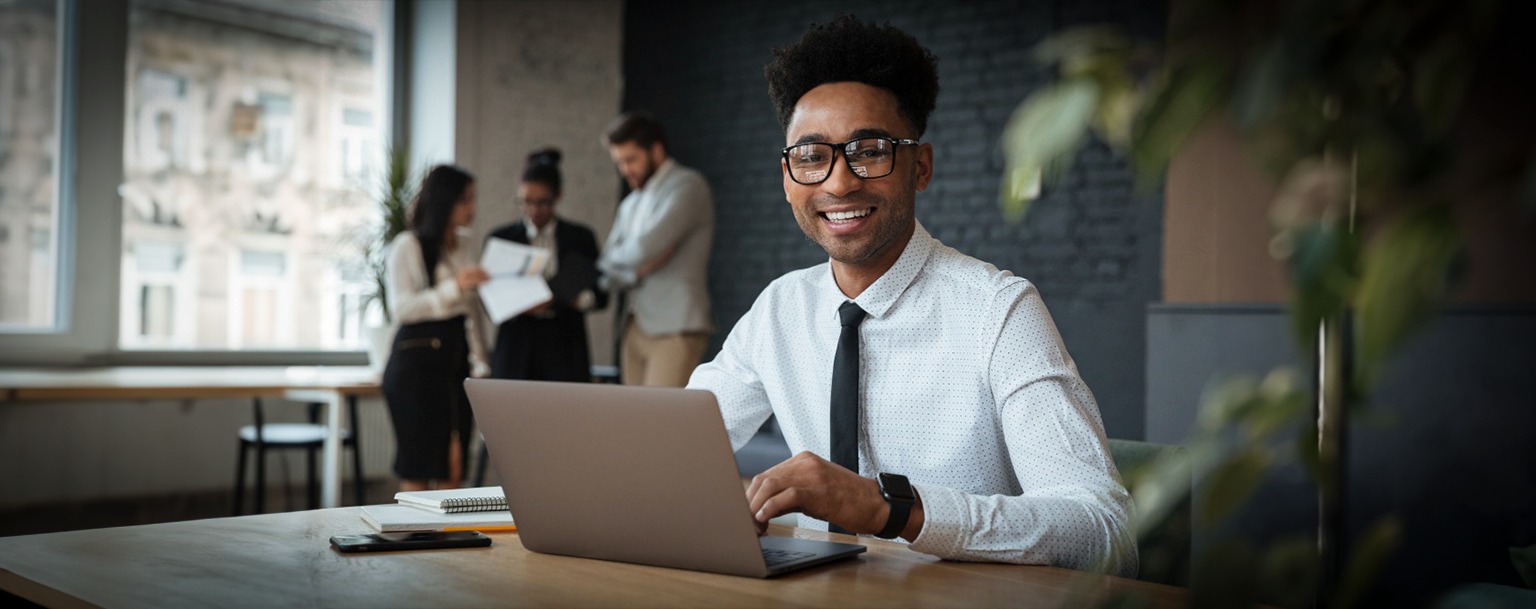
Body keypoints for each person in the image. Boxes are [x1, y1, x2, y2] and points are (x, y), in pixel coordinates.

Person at [685, 16, 1137, 576]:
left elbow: (1106, 533)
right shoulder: (779, 308)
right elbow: (672, 447)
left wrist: (890, 510)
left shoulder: (998, 311)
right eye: (811, 156)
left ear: (919, 167)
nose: (838, 182)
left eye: (869, 150)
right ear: (787, 178)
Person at [381, 164, 490, 493]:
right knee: (419, 467)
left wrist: (482, 361)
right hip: (415, 367)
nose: (472, 209)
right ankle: (412, 543)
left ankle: (447, 545)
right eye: (465, 200)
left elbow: (472, 312)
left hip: (456, 363)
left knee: (454, 468)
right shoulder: (408, 245)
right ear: (445, 201)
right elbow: (402, 308)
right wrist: (453, 287)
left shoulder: (465, 245)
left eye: (472, 199)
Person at [597, 112, 715, 387]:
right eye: (619, 163)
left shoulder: (688, 186)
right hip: (634, 325)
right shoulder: (631, 203)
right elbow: (604, 264)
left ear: (656, 150)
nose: (625, 170)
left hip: (676, 327)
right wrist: (635, 274)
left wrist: (630, 257)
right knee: (634, 425)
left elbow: (644, 249)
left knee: (660, 426)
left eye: (631, 159)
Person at [487, 148, 608, 382]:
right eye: (525, 202)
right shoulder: (502, 238)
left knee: (564, 415)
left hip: (565, 343)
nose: (533, 210)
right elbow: (489, 299)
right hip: (516, 346)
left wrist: (576, 299)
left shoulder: (580, 237)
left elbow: (601, 294)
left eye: (542, 203)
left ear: (558, 197)